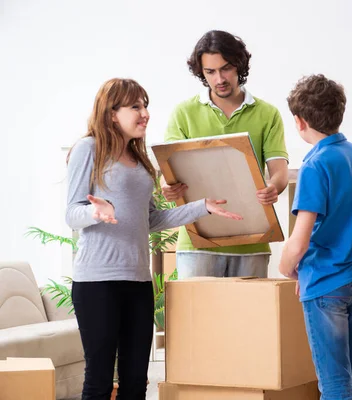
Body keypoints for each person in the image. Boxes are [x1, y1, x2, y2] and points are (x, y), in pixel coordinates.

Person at [66, 78, 242, 400]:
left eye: (145, 105)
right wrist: (97, 212)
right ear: (111, 113)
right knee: (100, 381)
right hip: (97, 283)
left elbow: (152, 220)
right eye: (135, 106)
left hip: (137, 282)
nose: (144, 113)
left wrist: (201, 207)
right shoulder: (88, 149)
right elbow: (71, 213)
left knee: (136, 381)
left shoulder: (140, 159)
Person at [279, 74, 352, 400]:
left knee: (334, 384)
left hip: (327, 285)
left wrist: (289, 268)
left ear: (299, 121)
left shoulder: (315, 165)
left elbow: (299, 240)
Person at [161, 30, 289, 279]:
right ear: (202, 73)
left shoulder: (267, 114)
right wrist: (167, 186)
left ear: (239, 65)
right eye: (210, 72)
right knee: (197, 318)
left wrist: (273, 187)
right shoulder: (183, 113)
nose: (219, 78)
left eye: (226, 68)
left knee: (248, 319)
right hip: (198, 242)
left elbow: (279, 170)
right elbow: (169, 170)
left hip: (253, 241)